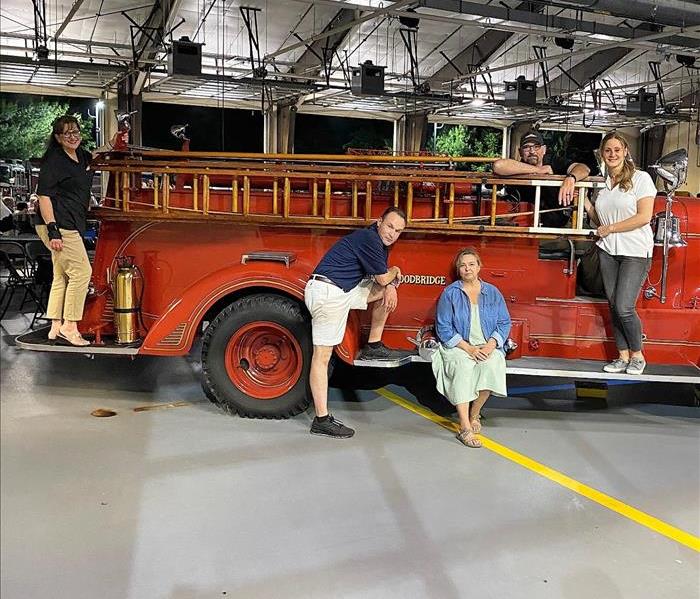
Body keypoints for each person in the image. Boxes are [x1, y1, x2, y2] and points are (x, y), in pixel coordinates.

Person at [305, 206, 407, 439]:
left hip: (342, 291)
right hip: (328, 292)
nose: (392, 233)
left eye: (398, 231)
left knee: (384, 289)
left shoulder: (378, 243)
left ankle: (373, 345)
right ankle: (321, 420)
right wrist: (395, 271)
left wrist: (390, 285)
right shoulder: (369, 239)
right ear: (379, 221)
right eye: (390, 226)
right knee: (322, 357)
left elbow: (380, 280)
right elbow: (382, 275)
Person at [583, 131, 657, 375]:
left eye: (617, 149)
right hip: (608, 250)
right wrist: (585, 203)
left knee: (625, 306)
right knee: (614, 305)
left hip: (635, 250)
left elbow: (644, 217)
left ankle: (637, 355)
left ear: (626, 151)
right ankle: (622, 356)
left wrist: (610, 228)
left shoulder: (642, 178)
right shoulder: (604, 185)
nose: (612, 154)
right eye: (608, 150)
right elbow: (599, 220)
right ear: (602, 155)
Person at [432, 248, 511, 448]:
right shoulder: (450, 293)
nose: (467, 268)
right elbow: (443, 327)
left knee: (493, 365)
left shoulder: (492, 292)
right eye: (462, 265)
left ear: (479, 267)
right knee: (462, 367)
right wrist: (468, 349)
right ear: (458, 270)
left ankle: (475, 413)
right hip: (460, 346)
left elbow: (504, 323)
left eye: (471, 264)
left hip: (486, 345)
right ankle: (465, 428)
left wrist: (492, 344)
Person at [34, 115, 93, 347]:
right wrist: (53, 231)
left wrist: (118, 138)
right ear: (58, 137)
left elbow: (101, 153)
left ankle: (56, 325)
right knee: (81, 273)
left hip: (69, 222)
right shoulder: (54, 160)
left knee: (62, 275)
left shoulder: (81, 156)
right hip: (59, 224)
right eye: (67, 133)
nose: (73, 136)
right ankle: (70, 326)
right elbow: (44, 196)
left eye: (76, 131)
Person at [492, 129, 591, 227]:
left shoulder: (554, 161)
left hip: (557, 228)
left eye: (536, 147)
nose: (532, 151)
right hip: (523, 226)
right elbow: (498, 166)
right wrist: (539, 170)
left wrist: (571, 178)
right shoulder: (516, 166)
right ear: (520, 152)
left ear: (544, 149)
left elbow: (584, 169)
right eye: (526, 147)